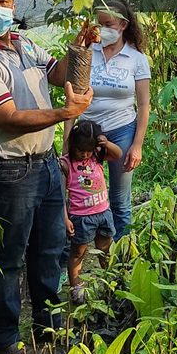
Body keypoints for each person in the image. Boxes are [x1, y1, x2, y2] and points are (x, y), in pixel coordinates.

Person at [0, 0, 96, 354]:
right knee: (9, 259)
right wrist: (65, 113)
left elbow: (59, 73)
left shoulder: (23, 43)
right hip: (8, 173)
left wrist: (78, 52)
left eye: (5, 0)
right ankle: (5, 340)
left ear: (14, 6)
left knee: (50, 251)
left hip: (46, 165)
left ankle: (47, 329)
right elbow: (7, 118)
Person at [64, 0, 150, 241]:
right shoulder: (87, 54)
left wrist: (137, 145)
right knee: (81, 191)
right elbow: (73, 97)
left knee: (120, 200)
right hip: (86, 134)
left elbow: (144, 105)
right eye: (99, 24)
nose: (102, 30)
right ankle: (80, 248)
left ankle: (120, 258)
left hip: (122, 131)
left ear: (123, 25)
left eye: (108, 24)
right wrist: (67, 138)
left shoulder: (136, 59)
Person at [61, 120, 121, 304]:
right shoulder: (66, 164)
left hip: (103, 212)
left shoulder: (96, 156)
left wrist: (106, 143)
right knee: (78, 252)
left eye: (89, 149)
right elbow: (60, 194)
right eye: (81, 150)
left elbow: (118, 154)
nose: (85, 154)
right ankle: (76, 287)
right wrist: (65, 218)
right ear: (72, 145)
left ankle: (111, 279)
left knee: (105, 249)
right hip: (80, 217)